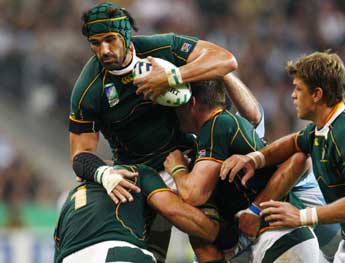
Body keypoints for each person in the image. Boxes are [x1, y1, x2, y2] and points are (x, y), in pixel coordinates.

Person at [69, 2, 237, 261]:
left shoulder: (162, 47)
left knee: (208, 247)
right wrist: (103, 174)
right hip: (139, 176)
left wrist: (173, 76)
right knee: (150, 256)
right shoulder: (88, 88)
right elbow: (80, 156)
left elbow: (226, 60)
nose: (103, 50)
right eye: (95, 43)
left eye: (110, 39)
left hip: (187, 160)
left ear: (125, 35)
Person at [220, 51, 345, 262]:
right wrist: (254, 159)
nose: (293, 95)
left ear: (317, 94)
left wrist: (302, 217)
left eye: (298, 88)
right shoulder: (321, 130)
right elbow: (292, 143)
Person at [163, 78, 319, 263]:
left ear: (192, 103)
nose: (176, 112)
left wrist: (177, 168)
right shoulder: (217, 145)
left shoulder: (217, 125)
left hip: (284, 236)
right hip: (273, 242)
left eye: (178, 106)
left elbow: (192, 194)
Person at [54, 164, 236, 263]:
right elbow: (173, 211)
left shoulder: (71, 198)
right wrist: (222, 234)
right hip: (116, 254)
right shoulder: (137, 172)